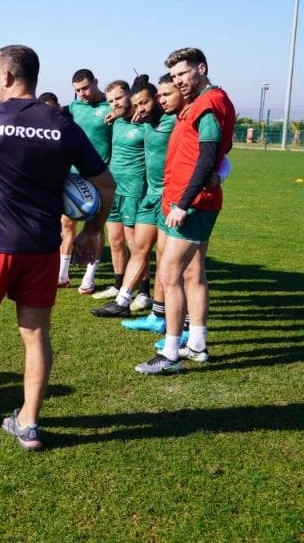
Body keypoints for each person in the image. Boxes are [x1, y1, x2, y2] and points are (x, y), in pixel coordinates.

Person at [0, 45, 115, 450]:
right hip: (41, 246)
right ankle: (29, 423)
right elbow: (105, 184)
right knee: (36, 334)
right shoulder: (62, 124)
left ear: (4, 76)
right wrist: (93, 230)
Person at [135, 48, 235, 375]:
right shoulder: (196, 103)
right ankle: (197, 344)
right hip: (191, 201)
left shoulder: (209, 103)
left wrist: (183, 203)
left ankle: (171, 353)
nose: (178, 80)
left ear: (201, 68)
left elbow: (208, 156)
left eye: (183, 73)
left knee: (169, 274)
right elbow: (213, 157)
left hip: (191, 206)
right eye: (175, 75)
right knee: (193, 274)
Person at [90, 80, 143, 303]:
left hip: (134, 190)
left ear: (130, 95)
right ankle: (118, 285)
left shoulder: (144, 121)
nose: (115, 104)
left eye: (119, 98)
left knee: (136, 244)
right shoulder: (116, 121)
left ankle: (143, 293)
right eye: (111, 100)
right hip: (114, 188)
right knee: (115, 240)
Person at [60, 69, 112, 292]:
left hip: (101, 176)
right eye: (77, 90)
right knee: (66, 223)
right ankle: (62, 273)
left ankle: (90, 275)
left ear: (96, 82)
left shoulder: (111, 106)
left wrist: (123, 111)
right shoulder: (74, 107)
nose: (81, 93)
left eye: (85, 88)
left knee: (96, 225)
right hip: (74, 176)